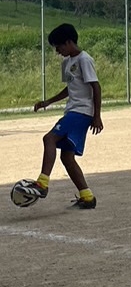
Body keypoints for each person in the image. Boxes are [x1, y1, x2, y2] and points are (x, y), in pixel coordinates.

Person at [24, 24, 103, 208]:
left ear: (68, 42)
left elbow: (96, 86)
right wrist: (48, 102)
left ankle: (42, 184)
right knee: (66, 158)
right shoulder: (67, 63)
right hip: (72, 111)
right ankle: (87, 197)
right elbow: (70, 88)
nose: (57, 51)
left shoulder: (84, 59)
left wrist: (97, 116)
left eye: (58, 46)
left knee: (49, 138)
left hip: (82, 112)